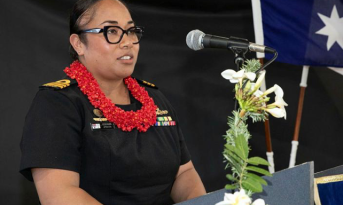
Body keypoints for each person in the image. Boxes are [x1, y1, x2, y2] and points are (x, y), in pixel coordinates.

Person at [19, 0, 206, 204]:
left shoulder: (155, 99)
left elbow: (184, 173)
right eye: (112, 31)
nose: (127, 42)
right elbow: (59, 194)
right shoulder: (57, 103)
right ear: (78, 43)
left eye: (131, 31)